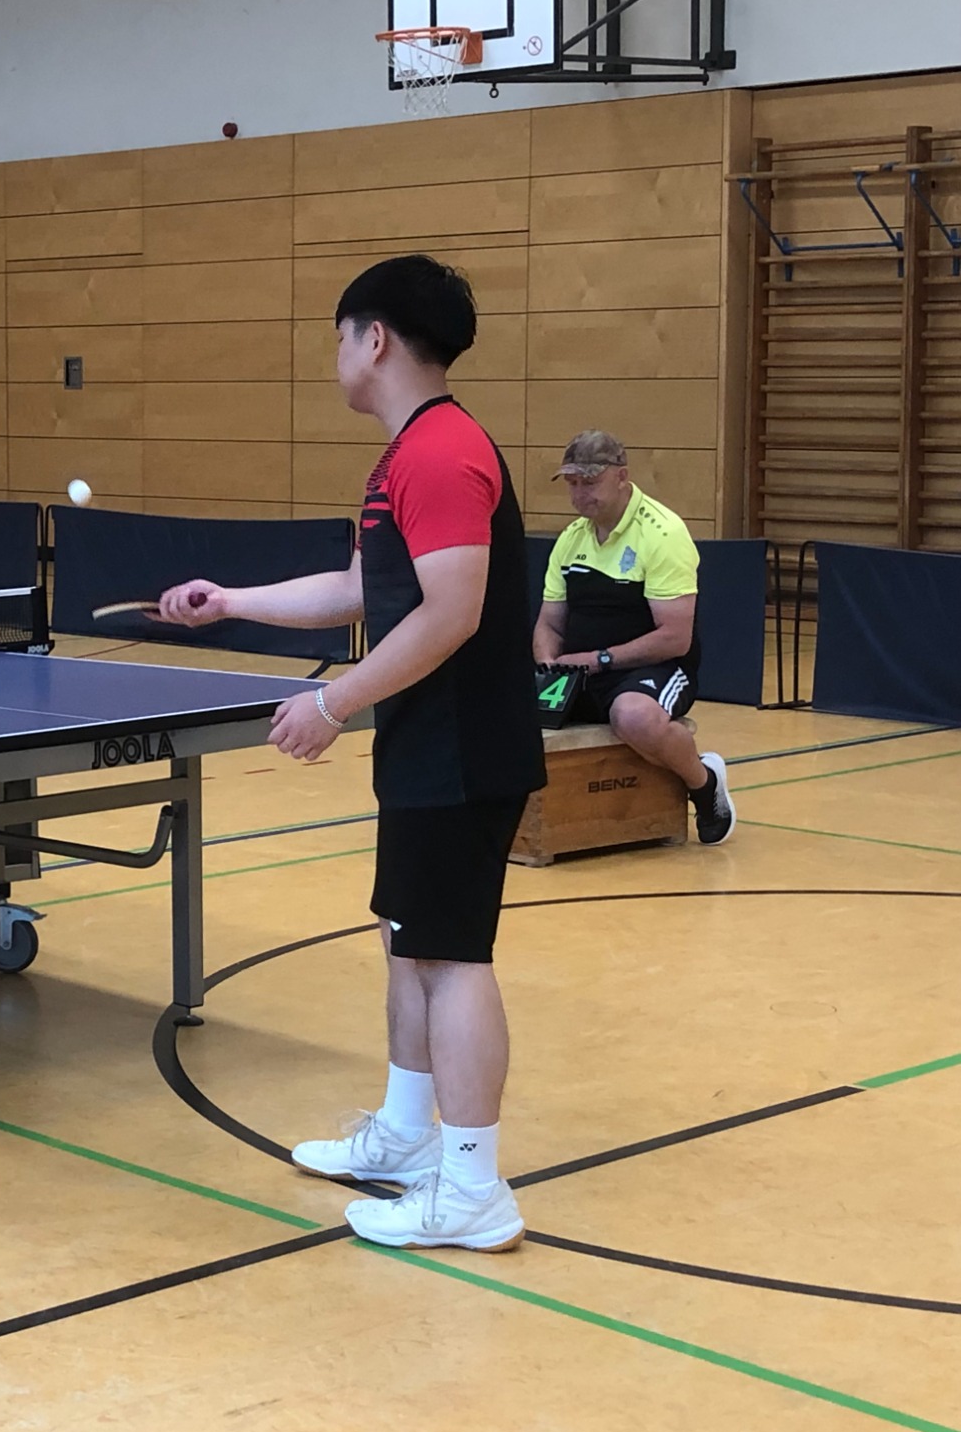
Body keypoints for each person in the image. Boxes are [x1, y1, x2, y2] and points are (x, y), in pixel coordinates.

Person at [156, 255, 542, 1252]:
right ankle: (408, 1136)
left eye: (338, 337)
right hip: (427, 742)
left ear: (374, 340)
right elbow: (360, 590)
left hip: (461, 745)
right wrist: (230, 602)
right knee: (409, 940)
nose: (333, 357)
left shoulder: (441, 453)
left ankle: (472, 1189)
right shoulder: (400, 459)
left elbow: (452, 614)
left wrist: (332, 701)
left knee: (450, 956)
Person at [534, 431, 735, 845]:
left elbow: (675, 638)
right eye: (572, 483)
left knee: (633, 717)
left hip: (653, 668)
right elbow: (550, 625)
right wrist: (548, 668)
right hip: (582, 670)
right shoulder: (571, 539)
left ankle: (704, 783)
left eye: (590, 482)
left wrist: (599, 660)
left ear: (622, 477)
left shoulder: (663, 533)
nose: (579, 494)